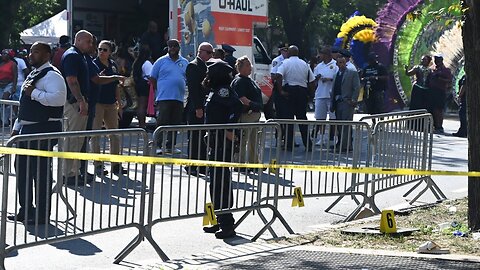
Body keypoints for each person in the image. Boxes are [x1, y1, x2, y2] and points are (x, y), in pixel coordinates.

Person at [8, 41, 66, 225]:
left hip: (44, 129)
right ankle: (25, 209)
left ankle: (41, 214)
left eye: (36, 51)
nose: (31, 54)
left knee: (40, 173)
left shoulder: (53, 75)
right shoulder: (34, 73)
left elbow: (58, 99)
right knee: (23, 170)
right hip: (27, 129)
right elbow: (25, 104)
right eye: (31, 51)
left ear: (47, 55)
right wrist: (17, 127)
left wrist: (34, 93)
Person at [202, 59, 242, 239]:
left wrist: (229, 129)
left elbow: (236, 107)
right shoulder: (216, 91)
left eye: (210, 73)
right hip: (215, 141)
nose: (207, 76)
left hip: (221, 143)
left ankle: (227, 225)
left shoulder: (223, 91)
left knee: (221, 183)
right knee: (215, 182)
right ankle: (219, 219)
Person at [91, 40, 128, 176]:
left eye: (105, 50)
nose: (101, 52)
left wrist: (119, 105)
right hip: (97, 103)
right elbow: (96, 81)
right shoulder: (94, 64)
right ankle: (98, 164)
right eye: (100, 49)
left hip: (111, 103)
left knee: (114, 134)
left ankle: (116, 164)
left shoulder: (113, 65)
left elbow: (116, 86)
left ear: (110, 52)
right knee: (95, 135)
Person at [150, 39, 189, 154]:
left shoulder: (184, 62)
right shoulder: (161, 61)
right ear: (167, 48)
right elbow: (152, 77)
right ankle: (157, 145)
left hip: (178, 97)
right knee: (162, 121)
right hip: (164, 97)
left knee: (175, 123)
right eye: (170, 46)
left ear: (179, 48)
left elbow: (187, 78)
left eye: (175, 46)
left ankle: (170, 146)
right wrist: (160, 88)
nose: (172, 48)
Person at [276, 45, 315, 151]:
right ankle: (308, 144)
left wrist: (281, 91)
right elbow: (312, 81)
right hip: (302, 92)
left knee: (289, 119)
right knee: (302, 118)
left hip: (290, 92)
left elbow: (278, 76)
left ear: (289, 52)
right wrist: (311, 95)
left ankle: (289, 144)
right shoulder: (304, 64)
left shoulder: (285, 63)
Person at [184, 42, 213, 176]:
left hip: (204, 105)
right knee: (195, 136)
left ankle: (201, 165)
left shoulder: (206, 66)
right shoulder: (193, 66)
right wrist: (198, 107)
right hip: (196, 106)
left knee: (202, 137)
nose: (210, 55)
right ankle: (191, 164)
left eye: (211, 53)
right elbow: (194, 89)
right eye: (208, 52)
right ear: (200, 52)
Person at [231, 55, 263, 172]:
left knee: (254, 140)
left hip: (254, 115)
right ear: (241, 67)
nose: (251, 67)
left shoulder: (248, 80)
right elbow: (241, 98)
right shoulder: (239, 81)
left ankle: (254, 163)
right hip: (246, 114)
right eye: (248, 65)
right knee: (243, 140)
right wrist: (252, 104)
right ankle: (240, 163)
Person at [330, 56, 361, 151]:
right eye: (339, 62)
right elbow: (334, 89)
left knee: (346, 125)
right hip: (337, 103)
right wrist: (332, 103)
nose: (341, 64)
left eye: (343, 62)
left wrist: (353, 100)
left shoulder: (352, 73)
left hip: (347, 103)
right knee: (339, 125)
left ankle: (344, 147)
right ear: (337, 64)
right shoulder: (336, 75)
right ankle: (343, 144)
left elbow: (357, 87)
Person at [312, 47, 338, 145]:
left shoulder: (335, 65)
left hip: (331, 94)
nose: (320, 56)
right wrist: (317, 78)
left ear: (326, 54)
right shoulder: (318, 66)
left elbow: (337, 79)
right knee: (320, 118)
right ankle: (322, 138)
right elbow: (313, 81)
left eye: (322, 54)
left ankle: (335, 137)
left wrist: (329, 79)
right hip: (320, 94)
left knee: (333, 118)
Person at [428, 53, 453, 134]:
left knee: (439, 109)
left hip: (440, 91)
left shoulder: (446, 70)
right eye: (435, 59)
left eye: (438, 59)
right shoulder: (432, 69)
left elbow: (449, 80)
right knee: (432, 109)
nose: (436, 61)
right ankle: (434, 125)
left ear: (441, 60)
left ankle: (439, 126)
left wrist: (440, 78)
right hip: (431, 92)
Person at [270, 43, 289, 146]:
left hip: (288, 89)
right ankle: (279, 138)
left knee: (288, 116)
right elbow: (273, 76)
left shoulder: (290, 60)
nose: (286, 52)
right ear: (281, 51)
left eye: (287, 50)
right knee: (280, 115)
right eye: (284, 50)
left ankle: (289, 138)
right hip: (278, 89)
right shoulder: (277, 61)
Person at [132, 46, 153, 129]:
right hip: (145, 85)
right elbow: (150, 76)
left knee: (140, 105)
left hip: (139, 84)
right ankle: (142, 125)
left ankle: (141, 124)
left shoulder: (137, 62)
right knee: (143, 105)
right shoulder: (147, 63)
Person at [0, 49, 18, 126]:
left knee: (4, 100)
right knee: (2, 103)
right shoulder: (1, 64)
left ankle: (12, 116)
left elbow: (15, 76)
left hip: (9, 84)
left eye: (5, 54)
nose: (3, 55)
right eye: (2, 54)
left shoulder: (13, 64)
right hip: (1, 85)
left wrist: (14, 87)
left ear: (9, 55)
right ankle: (5, 121)